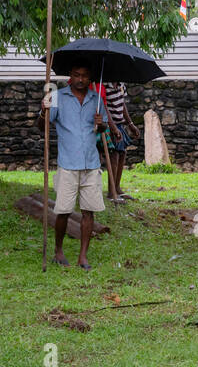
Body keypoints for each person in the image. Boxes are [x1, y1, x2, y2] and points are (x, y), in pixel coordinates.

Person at [35, 61, 108, 269]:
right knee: (64, 211)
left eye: (84, 75)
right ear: (70, 75)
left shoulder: (96, 100)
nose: (81, 79)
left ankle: (83, 256)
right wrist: (43, 111)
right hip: (68, 163)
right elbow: (42, 127)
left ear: (90, 78)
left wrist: (101, 124)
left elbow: (100, 129)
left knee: (88, 211)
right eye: (77, 75)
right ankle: (58, 251)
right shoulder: (58, 97)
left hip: (91, 163)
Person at [96, 80, 138, 202]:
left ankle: (117, 187)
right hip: (109, 124)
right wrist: (113, 127)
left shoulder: (121, 85)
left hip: (119, 124)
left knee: (122, 153)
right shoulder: (105, 86)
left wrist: (130, 124)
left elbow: (122, 105)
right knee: (113, 155)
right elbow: (105, 108)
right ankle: (111, 191)